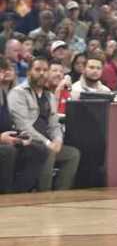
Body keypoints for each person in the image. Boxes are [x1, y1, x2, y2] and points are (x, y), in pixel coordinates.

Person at [8, 57, 80, 191]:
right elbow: (22, 125)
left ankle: (60, 194)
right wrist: (47, 143)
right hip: (25, 142)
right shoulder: (18, 93)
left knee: (73, 154)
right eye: (37, 69)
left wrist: (58, 140)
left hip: (45, 143)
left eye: (45, 70)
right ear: (29, 72)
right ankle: (44, 194)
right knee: (48, 152)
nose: (42, 73)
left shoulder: (49, 96)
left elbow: (54, 124)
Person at [0, 57, 48, 193]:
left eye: (4, 70)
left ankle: (18, 192)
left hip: (6, 139)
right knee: (8, 151)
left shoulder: (4, 93)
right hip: (3, 143)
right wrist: (1, 138)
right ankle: (5, 194)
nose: (3, 74)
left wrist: (19, 136)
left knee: (38, 149)